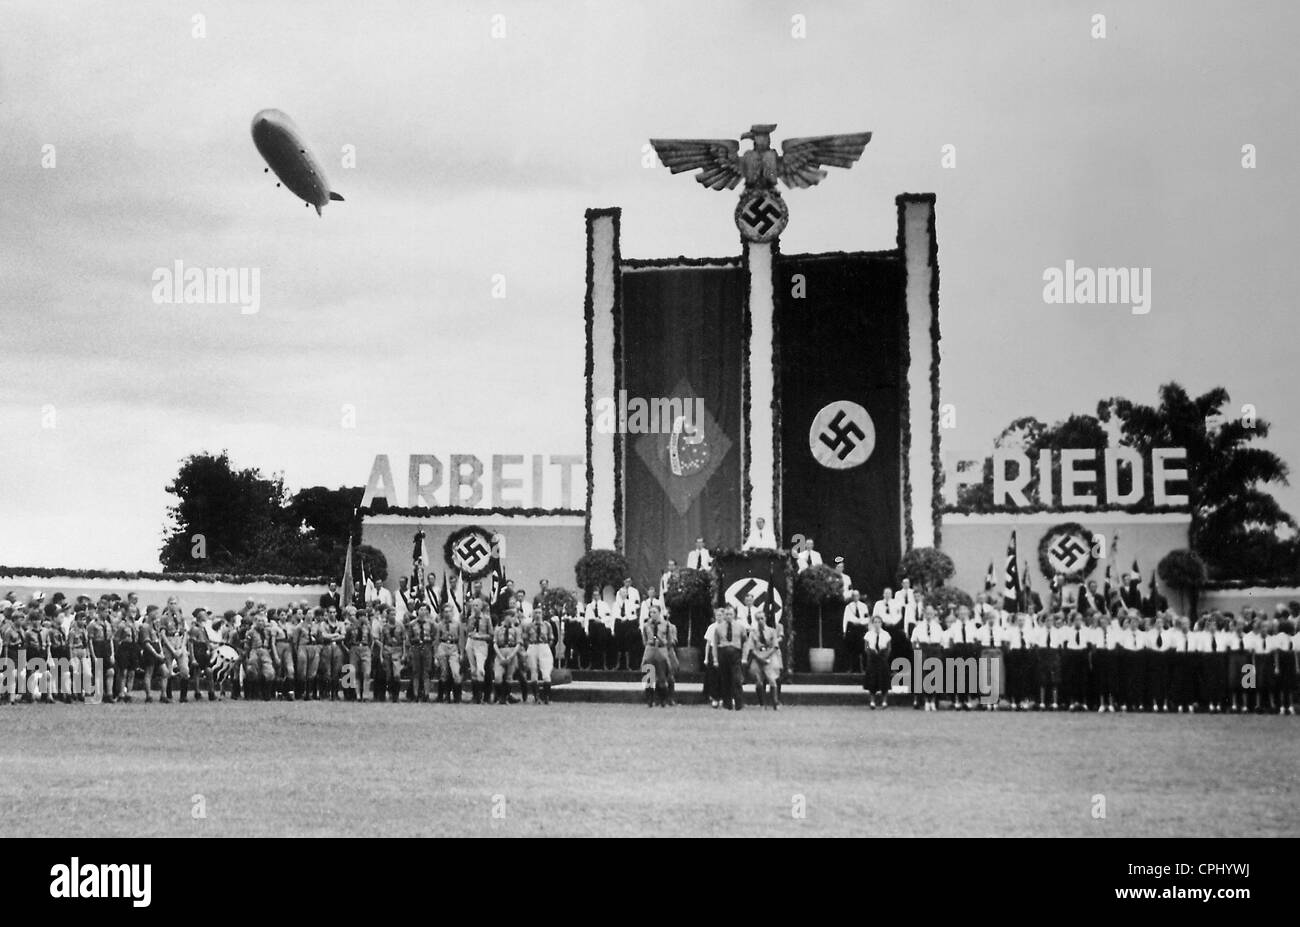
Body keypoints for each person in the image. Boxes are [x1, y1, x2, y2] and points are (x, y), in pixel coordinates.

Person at [713, 606, 747, 710]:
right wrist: (715, 659)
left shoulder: (741, 627)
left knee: (736, 679)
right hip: (723, 653)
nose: (728, 616)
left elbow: (745, 642)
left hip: (735, 654)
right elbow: (715, 644)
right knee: (725, 679)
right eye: (726, 614)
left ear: (734, 615)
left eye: (730, 614)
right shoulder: (718, 628)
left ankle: (739, 704)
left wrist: (744, 657)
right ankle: (727, 704)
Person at [522, 604, 555, 704]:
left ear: (542, 614)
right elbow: (525, 638)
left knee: (546, 672)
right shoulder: (529, 626)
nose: (537, 615)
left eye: (539, 613)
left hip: (543, 646)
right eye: (536, 613)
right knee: (533, 671)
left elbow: (551, 638)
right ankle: (536, 697)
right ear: (533, 614)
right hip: (533, 646)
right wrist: (529, 646)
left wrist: (546, 646)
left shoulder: (547, 625)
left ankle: (546, 697)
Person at [464, 598, 495, 703]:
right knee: (473, 670)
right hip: (471, 642)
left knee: (480, 669)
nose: (475, 607)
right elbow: (467, 631)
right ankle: (475, 695)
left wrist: (480, 636)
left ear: (481, 607)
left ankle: (482, 695)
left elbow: (491, 635)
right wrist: (471, 629)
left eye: (477, 605)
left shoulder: (486, 618)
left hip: (481, 644)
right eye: (473, 605)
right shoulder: (471, 618)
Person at [433, 604, 464, 703]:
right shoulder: (440, 625)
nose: (447, 614)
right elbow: (437, 640)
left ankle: (457, 696)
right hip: (443, 645)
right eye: (445, 612)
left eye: (449, 611)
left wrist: (461, 652)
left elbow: (461, 639)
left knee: (455, 672)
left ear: (453, 613)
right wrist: (436, 655)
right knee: (444, 672)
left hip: (453, 647)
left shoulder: (457, 624)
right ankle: (442, 696)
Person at [492, 609, 523, 706]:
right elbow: (495, 643)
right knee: (498, 676)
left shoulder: (516, 630)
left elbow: (518, 644)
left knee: (509, 677)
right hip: (500, 652)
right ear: (506, 617)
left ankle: (505, 698)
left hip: (511, 651)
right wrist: (500, 656)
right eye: (512, 616)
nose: (514, 619)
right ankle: (498, 696)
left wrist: (511, 655)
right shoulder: (498, 629)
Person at [405, 604, 434, 702]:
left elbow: (434, 636)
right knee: (416, 672)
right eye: (420, 609)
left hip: (427, 647)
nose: (422, 611)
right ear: (417, 611)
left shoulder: (431, 624)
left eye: (424, 610)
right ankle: (416, 694)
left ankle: (426, 694)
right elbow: (408, 638)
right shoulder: (412, 624)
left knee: (426, 672)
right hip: (415, 647)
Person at [318, 606, 347, 701]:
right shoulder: (323, 624)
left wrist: (332, 637)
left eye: (334, 612)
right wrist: (335, 635)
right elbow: (323, 635)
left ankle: (335, 693)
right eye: (330, 612)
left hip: (337, 647)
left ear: (336, 613)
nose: (332, 614)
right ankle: (326, 692)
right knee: (327, 670)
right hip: (327, 647)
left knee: (337, 670)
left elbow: (343, 636)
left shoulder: (341, 624)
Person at [862, 615, 891, 709]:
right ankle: (872, 701)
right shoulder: (868, 634)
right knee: (872, 680)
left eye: (879, 622)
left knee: (884, 680)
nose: (877, 624)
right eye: (875, 622)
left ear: (881, 623)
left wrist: (884, 655)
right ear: (872, 623)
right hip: (872, 658)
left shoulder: (886, 634)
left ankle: (884, 701)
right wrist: (870, 652)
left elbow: (889, 648)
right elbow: (866, 647)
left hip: (882, 658)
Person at [160, 613, 190, 703]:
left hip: (180, 643)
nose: (173, 605)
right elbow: (163, 634)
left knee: (185, 670)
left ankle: (183, 696)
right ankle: (168, 695)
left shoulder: (181, 618)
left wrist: (182, 647)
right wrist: (172, 650)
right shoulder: (164, 619)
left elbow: (185, 634)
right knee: (168, 671)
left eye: (175, 603)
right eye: (171, 603)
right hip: (169, 643)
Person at [346, 609, 374, 703]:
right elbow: (347, 640)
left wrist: (369, 649)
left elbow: (371, 640)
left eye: (365, 616)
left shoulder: (368, 628)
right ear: (358, 617)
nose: (364, 618)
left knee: (367, 673)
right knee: (355, 672)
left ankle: (365, 695)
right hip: (355, 648)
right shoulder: (351, 628)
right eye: (362, 616)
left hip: (365, 648)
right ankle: (357, 694)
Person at [294, 608, 322, 700]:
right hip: (303, 647)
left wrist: (318, 648)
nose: (310, 616)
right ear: (304, 615)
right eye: (308, 614)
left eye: (311, 614)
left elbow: (320, 638)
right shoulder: (299, 627)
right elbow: (295, 641)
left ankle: (309, 693)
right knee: (302, 671)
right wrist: (297, 651)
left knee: (312, 671)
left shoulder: (316, 626)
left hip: (313, 648)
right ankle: (302, 692)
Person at [188, 608, 216, 702]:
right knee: (197, 672)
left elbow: (206, 640)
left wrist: (210, 646)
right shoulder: (195, 628)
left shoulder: (203, 628)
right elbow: (191, 643)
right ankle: (197, 692)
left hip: (204, 650)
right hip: (198, 650)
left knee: (209, 671)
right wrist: (192, 658)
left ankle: (211, 692)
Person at [614, 578, 641, 671]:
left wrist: (626, 618)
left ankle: (628, 665)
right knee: (619, 645)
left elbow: (633, 614)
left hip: (628, 624)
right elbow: (614, 615)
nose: (623, 594)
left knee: (628, 645)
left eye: (625, 593)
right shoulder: (616, 603)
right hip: (619, 625)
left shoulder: (631, 603)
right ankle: (618, 664)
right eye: (622, 593)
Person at [379, 608, 405, 704]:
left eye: (394, 614)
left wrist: (404, 654)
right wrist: (381, 655)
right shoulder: (385, 627)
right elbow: (382, 641)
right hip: (387, 650)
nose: (393, 616)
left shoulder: (400, 626)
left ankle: (396, 696)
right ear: (388, 616)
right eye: (391, 614)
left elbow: (403, 641)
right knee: (389, 675)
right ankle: (390, 694)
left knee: (397, 674)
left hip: (397, 651)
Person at [841, 590, 870, 675]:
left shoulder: (864, 606)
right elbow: (845, 619)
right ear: (852, 597)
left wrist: (861, 622)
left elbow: (866, 618)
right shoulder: (848, 607)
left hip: (861, 629)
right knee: (852, 649)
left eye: (857, 595)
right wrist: (844, 631)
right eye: (854, 596)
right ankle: (852, 668)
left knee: (863, 649)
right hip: (852, 629)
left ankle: (863, 668)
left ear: (859, 596)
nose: (855, 597)